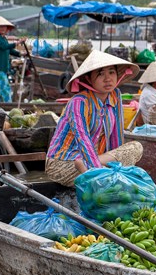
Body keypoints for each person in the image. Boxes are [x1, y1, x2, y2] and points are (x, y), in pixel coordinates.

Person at [46, 50, 144, 187]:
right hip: (64, 163)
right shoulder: (79, 102)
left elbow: (117, 137)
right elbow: (83, 139)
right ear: (89, 79)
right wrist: (99, 172)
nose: (108, 78)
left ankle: (91, 168)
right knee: (94, 171)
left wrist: (118, 168)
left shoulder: (115, 95)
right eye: (100, 74)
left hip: (94, 159)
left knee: (136, 147)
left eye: (111, 72)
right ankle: (92, 168)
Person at [0, 16, 26, 103]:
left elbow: (9, 50)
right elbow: (4, 47)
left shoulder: (3, 38)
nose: (3, 29)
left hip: (2, 67)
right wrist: (17, 43)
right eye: (1, 27)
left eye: (4, 27)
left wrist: (20, 54)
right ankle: (8, 104)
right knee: (5, 87)